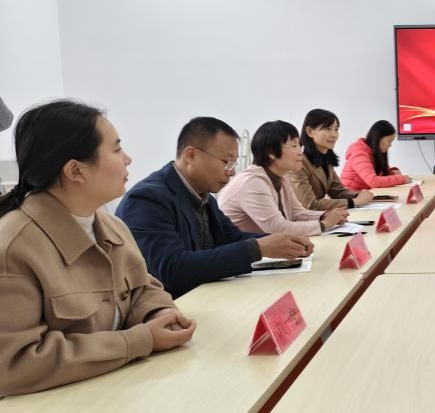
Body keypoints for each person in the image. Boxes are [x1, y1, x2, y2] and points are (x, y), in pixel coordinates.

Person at [0, 100, 195, 413]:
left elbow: (144, 287)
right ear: (75, 170)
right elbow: (15, 363)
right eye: (117, 148)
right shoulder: (14, 247)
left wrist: (159, 313)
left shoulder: (107, 224)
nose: (128, 159)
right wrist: (140, 341)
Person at [117, 117, 314, 298]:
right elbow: (172, 270)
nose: (232, 172)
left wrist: (281, 242)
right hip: (174, 308)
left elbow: (231, 237)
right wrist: (259, 248)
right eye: (227, 162)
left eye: (234, 163)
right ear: (191, 155)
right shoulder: (147, 199)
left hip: (206, 296)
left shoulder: (204, 196)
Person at [219, 121, 346, 236]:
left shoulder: (281, 177)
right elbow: (277, 228)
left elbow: (297, 213)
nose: (300, 152)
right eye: (294, 146)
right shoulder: (252, 182)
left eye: (299, 146)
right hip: (241, 251)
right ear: (271, 153)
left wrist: (324, 215)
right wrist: (324, 224)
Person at [290, 109, 374, 211]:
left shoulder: (326, 158)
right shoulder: (298, 162)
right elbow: (310, 205)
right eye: (327, 129)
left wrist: (362, 195)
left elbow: (338, 192)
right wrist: (353, 202)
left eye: (336, 129)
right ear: (309, 131)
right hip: (297, 219)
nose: (334, 134)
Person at [340, 120, 410, 190]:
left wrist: (392, 171)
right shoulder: (359, 154)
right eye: (389, 141)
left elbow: (383, 170)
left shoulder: (375, 152)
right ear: (378, 139)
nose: (390, 145)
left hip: (364, 193)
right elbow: (373, 182)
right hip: (351, 194)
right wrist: (401, 179)